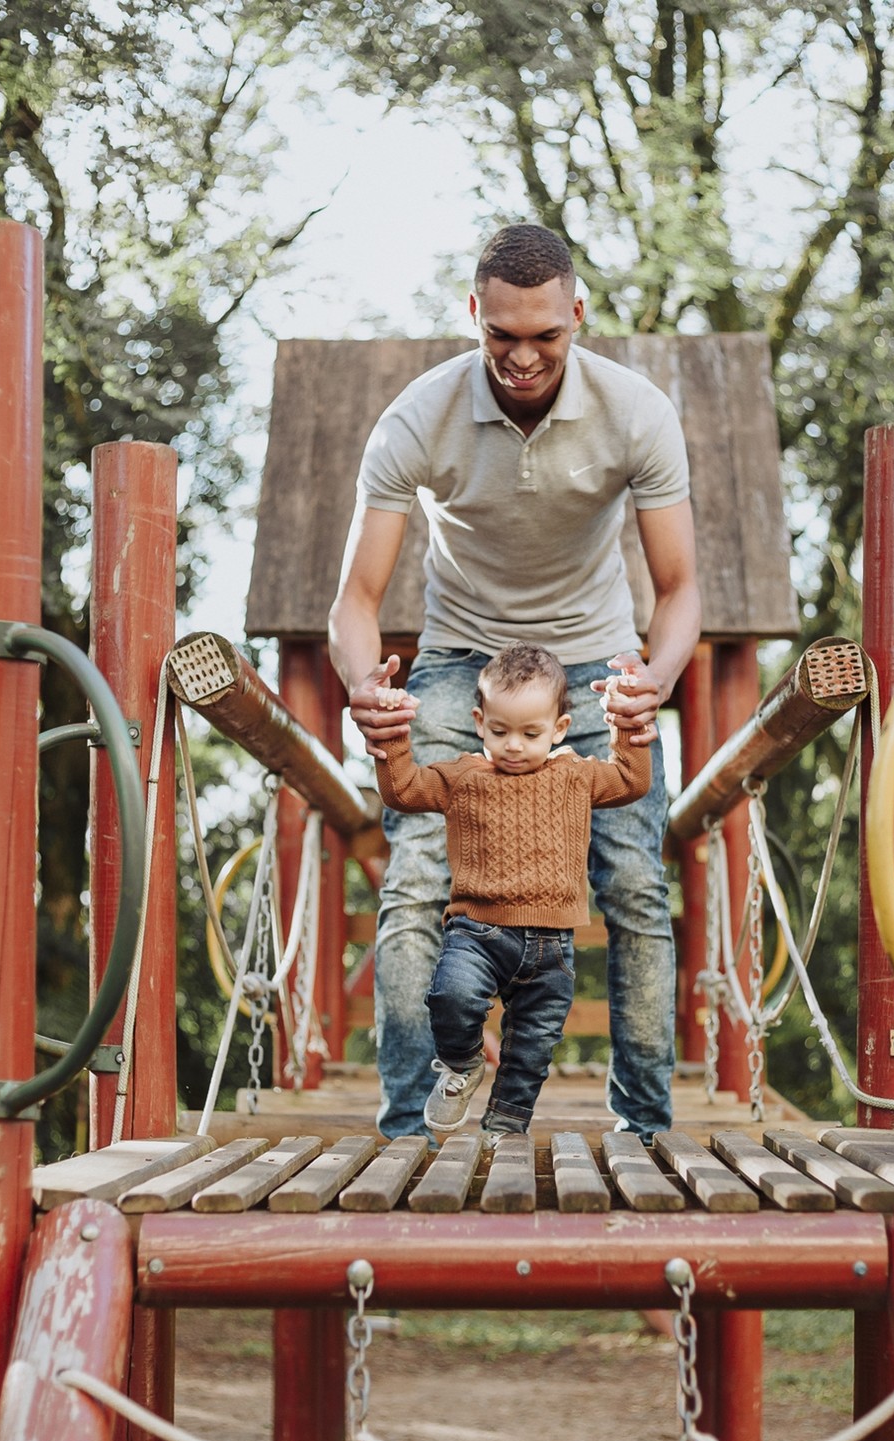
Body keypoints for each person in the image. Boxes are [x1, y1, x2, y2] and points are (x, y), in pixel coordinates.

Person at [328, 222, 700, 1142]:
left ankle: (644, 1124)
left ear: (578, 313)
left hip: (595, 651)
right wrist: (363, 687)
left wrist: (652, 679)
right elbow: (355, 601)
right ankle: (412, 1121)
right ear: (474, 317)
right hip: (462, 654)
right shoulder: (419, 417)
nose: (524, 356)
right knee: (417, 872)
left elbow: (683, 588)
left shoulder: (637, 413)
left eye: (546, 335)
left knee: (634, 882)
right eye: (503, 335)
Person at [374, 643, 651, 1137]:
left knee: (532, 1046)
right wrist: (393, 741)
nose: (514, 746)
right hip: (475, 932)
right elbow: (404, 790)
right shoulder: (463, 776)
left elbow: (632, 780)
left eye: (531, 733)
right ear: (480, 722)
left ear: (559, 729)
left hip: (552, 945)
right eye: (500, 731)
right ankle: (461, 1064)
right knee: (450, 997)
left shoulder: (575, 776)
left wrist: (627, 730)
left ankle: (505, 1123)